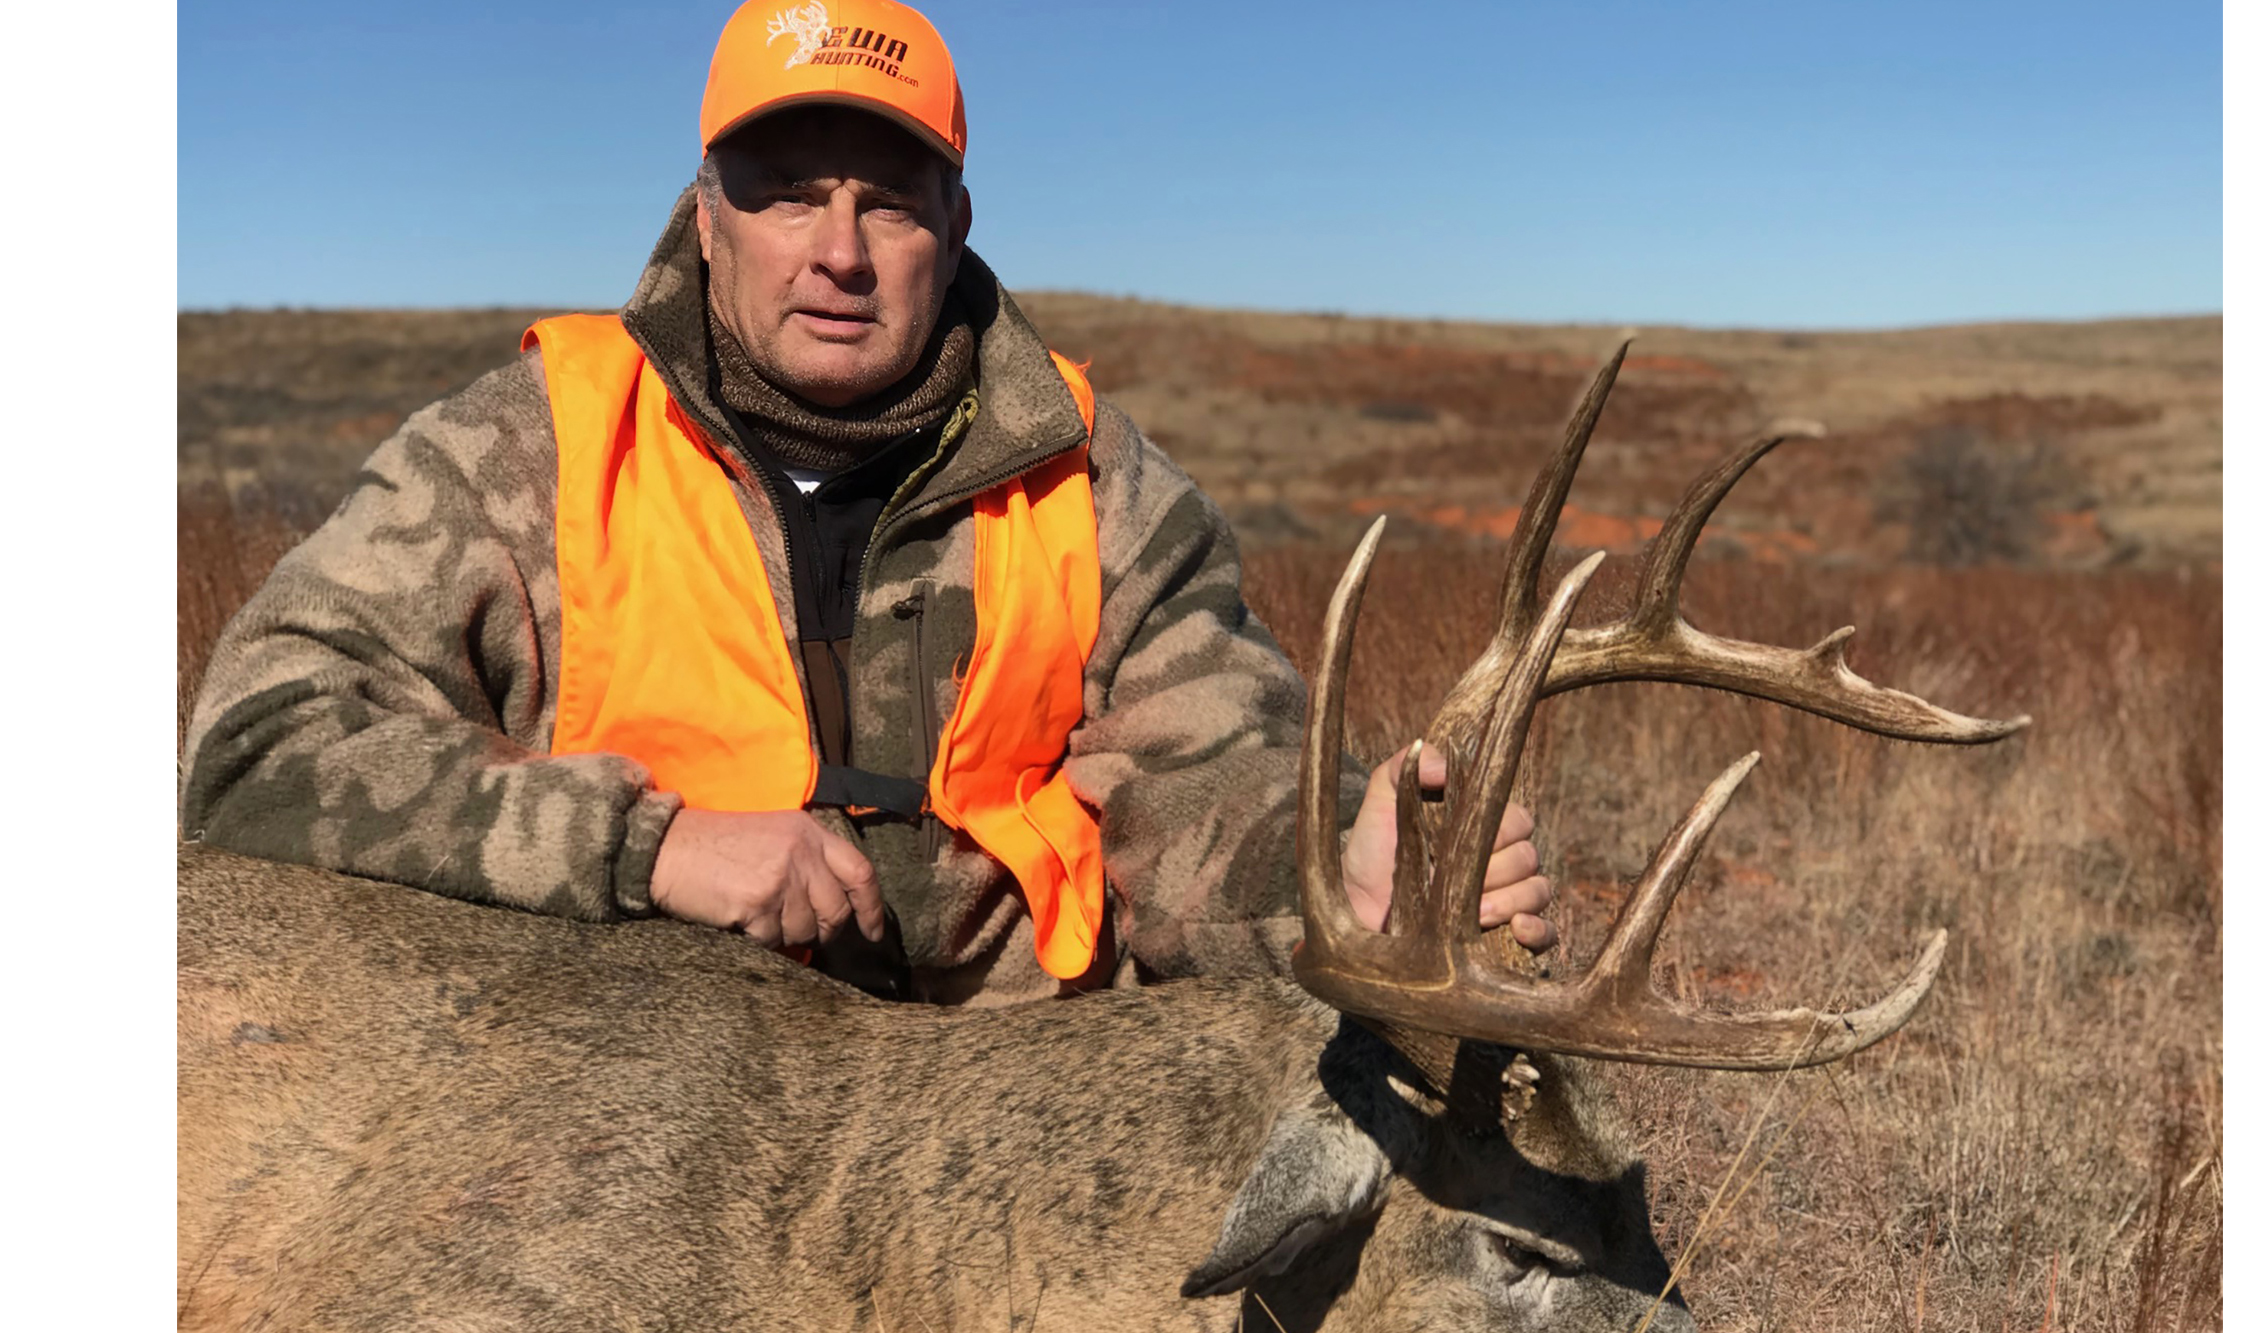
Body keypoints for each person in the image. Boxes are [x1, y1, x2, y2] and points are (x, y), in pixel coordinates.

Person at [178, 0, 1554, 1005]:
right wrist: (649, 848)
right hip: (622, 1124)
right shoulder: (526, 451)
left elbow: (1209, 781)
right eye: (787, 196)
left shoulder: (1092, 483)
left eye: (888, 203)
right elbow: (259, 741)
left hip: (1006, 1112)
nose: (838, 253)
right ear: (706, 214)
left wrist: (1337, 870)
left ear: (955, 225)